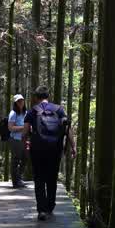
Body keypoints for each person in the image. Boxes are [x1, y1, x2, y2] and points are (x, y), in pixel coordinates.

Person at [24, 86, 75, 220]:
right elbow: (68, 129)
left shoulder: (32, 111)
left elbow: (25, 132)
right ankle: (50, 206)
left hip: (38, 150)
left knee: (39, 178)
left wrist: (26, 143)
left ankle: (41, 210)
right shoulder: (59, 109)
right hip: (55, 149)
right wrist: (73, 146)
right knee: (52, 178)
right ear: (48, 96)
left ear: (36, 97)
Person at [7, 94, 30, 188]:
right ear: (15, 103)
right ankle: (15, 182)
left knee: (25, 158)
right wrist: (23, 127)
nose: (21, 102)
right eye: (18, 101)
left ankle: (19, 177)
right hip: (15, 139)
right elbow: (10, 128)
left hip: (24, 139)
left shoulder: (26, 113)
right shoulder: (13, 113)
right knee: (15, 160)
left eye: (22, 100)